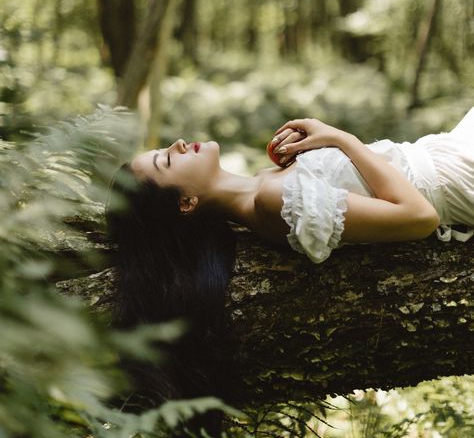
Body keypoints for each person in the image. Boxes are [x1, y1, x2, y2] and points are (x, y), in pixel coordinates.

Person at [106, 107, 473, 403]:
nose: (180, 144)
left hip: (447, 151)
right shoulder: (274, 202)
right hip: (458, 176)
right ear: (186, 203)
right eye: (167, 161)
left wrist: (308, 155)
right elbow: (420, 217)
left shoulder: (266, 186)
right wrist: (341, 139)